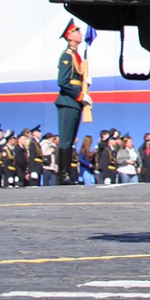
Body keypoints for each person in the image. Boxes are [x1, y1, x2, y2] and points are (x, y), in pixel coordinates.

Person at [53, 21, 90, 185]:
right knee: (65, 140)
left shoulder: (76, 55)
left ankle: (67, 172)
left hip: (74, 102)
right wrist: (80, 95)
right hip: (68, 101)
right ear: (70, 37)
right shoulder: (67, 56)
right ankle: (62, 174)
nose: (80, 34)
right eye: (77, 32)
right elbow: (63, 82)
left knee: (70, 139)